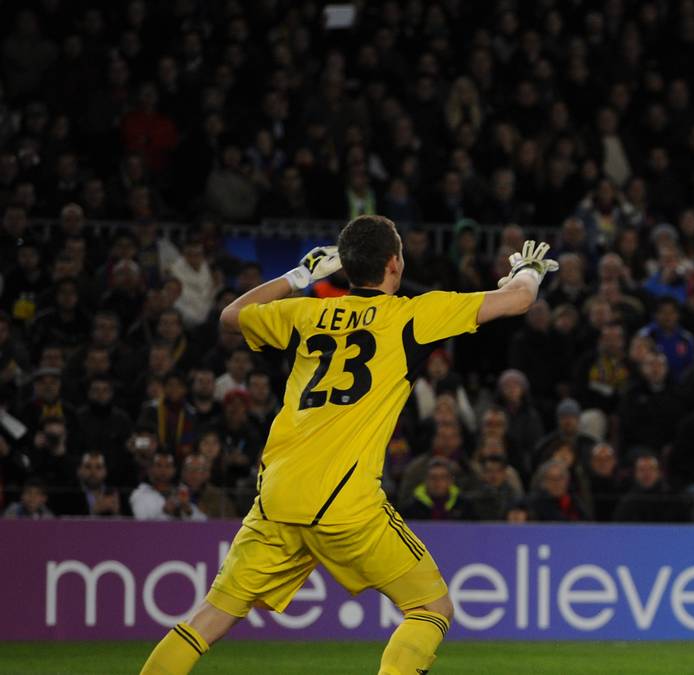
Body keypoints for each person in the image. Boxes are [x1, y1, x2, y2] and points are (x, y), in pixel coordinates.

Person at [139, 217, 557, 675]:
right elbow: (519, 299)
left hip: (276, 497)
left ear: (346, 266)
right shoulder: (411, 316)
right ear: (395, 263)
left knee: (208, 619)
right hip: (345, 504)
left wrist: (297, 277)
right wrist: (528, 269)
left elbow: (230, 316)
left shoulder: (306, 313)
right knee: (430, 608)